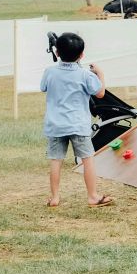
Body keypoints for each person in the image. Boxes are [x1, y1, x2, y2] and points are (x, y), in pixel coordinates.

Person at [41, 32, 112, 208]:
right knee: (88, 159)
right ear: (82, 55)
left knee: (56, 161)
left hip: (55, 125)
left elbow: (43, 87)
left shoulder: (49, 71)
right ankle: (92, 196)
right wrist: (100, 73)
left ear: (57, 52)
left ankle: (54, 197)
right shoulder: (85, 75)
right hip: (78, 125)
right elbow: (100, 93)